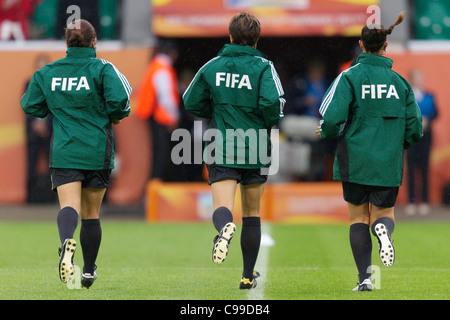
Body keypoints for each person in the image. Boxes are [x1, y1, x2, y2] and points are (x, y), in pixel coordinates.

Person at [21, 19, 131, 288]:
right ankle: (90, 270)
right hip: (96, 150)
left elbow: (29, 105)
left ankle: (65, 242)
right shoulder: (103, 68)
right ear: (94, 42)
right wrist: (111, 116)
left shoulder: (48, 72)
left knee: (68, 206)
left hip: (65, 150)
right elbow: (123, 101)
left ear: (66, 43)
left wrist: (58, 110)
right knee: (91, 214)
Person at [316, 12, 422, 291]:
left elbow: (330, 117)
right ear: (385, 47)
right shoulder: (401, 83)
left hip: (355, 160)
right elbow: (415, 128)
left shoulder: (348, 77)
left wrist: (325, 134)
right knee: (384, 212)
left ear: (361, 45)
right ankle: (384, 230)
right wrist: (395, 147)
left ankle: (365, 279)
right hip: (387, 161)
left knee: (358, 218)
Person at [183, 12, 285, 289]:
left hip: (221, 144)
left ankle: (223, 229)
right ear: (256, 39)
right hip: (255, 146)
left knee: (223, 207)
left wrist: (216, 110)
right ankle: (247, 275)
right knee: (251, 214)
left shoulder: (212, 66)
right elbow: (272, 104)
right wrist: (263, 122)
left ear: (229, 36)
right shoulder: (265, 67)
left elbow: (190, 101)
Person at [135, 38, 180, 181]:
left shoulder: (155, 66)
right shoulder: (163, 68)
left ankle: (155, 182)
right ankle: (156, 183)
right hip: (160, 118)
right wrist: (174, 116)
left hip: (153, 116)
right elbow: (165, 96)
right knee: (161, 154)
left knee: (158, 153)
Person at [405, 69, 438, 216]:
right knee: (410, 171)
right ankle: (411, 202)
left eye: (421, 77)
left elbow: (436, 113)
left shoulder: (429, 96)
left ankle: (424, 201)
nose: (420, 80)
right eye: (417, 77)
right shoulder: (407, 96)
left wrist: (427, 120)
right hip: (412, 138)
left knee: (424, 170)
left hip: (425, 139)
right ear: (411, 79)